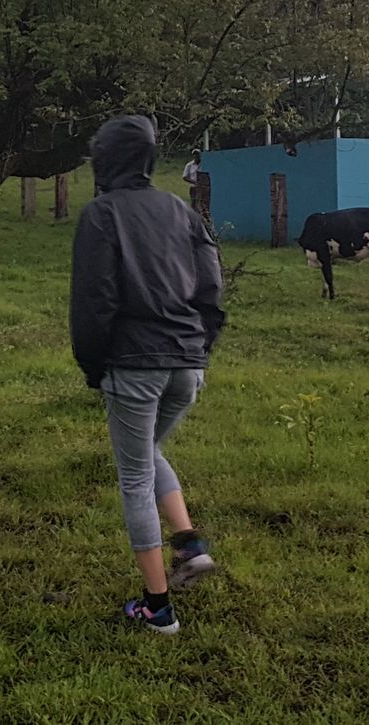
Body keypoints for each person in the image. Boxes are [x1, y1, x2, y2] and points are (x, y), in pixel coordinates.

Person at [71, 115, 226, 635]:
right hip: (187, 363)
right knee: (148, 453)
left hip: (134, 365)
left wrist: (95, 367)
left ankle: (157, 609)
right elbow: (211, 288)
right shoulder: (181, 211)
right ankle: (189, 545)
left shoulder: (101, 214)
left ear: (104, 160)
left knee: (133, 475)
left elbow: (95, 303)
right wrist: (199, 347)